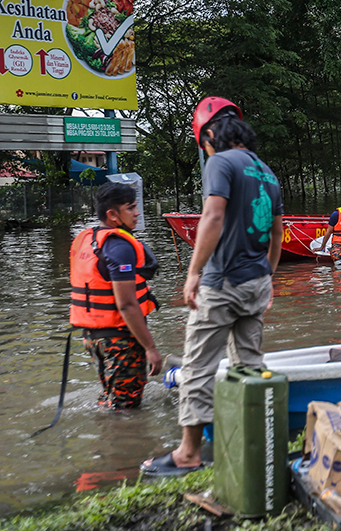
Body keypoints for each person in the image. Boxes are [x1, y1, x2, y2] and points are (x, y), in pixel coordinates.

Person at [141, 97, 282, 476]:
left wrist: (193, 272)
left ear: (210, 134)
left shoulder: (220, 162)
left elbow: (213, 215)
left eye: (203, 143)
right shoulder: (267, 171)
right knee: (249, 363)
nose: (204, 151)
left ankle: (188, 452)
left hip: (222, 282)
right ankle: (254, 438)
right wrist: (266, 276)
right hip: (256, 283)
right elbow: (277, 233)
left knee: (197, 367)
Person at [69, 182, 162, 410]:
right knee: (126, 409)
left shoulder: (88, 240)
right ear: (112, 214)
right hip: (120, 341)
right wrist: (151, 348)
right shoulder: (120, 247)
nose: (137, 213)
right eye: (130, 207)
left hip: (94, 338)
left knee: (113, 400)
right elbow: (128, 305)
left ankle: (109, 438)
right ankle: (121, 442)